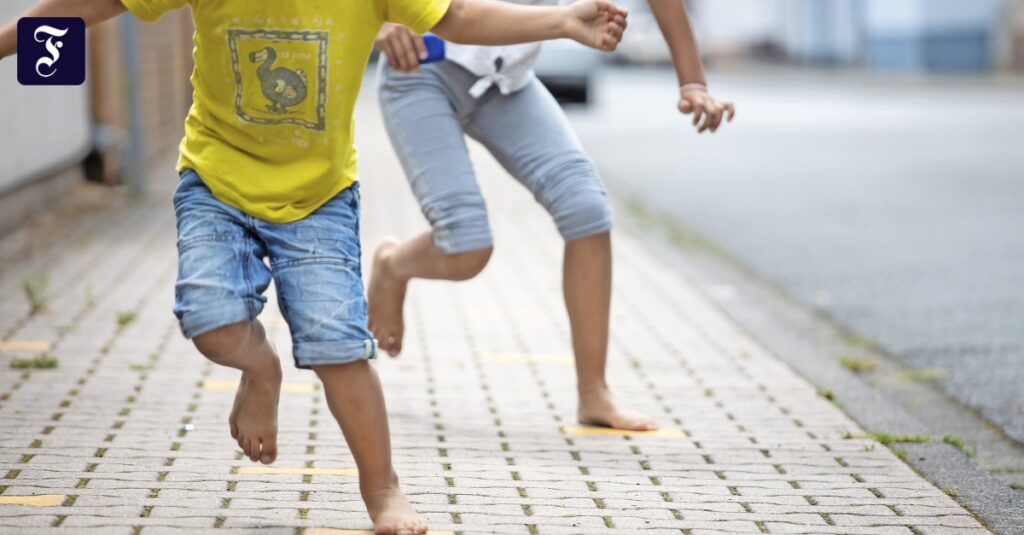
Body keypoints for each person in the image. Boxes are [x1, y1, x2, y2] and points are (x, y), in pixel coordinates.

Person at [0, 1, 627, 533]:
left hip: (319, 198)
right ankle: (262, 369)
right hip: (217, 183)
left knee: (336, 347)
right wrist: (6, 45)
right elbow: (87, 7)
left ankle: (381, 488)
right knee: (212, 323)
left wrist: (562, 20)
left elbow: (457, 15)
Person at [369, 0, 734, 432]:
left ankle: (594, 394)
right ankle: (393, 265)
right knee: (467, 248)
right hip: (420, 70)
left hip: (508, 80)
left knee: (587, 209)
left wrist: (692, 82)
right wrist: (378, 22)